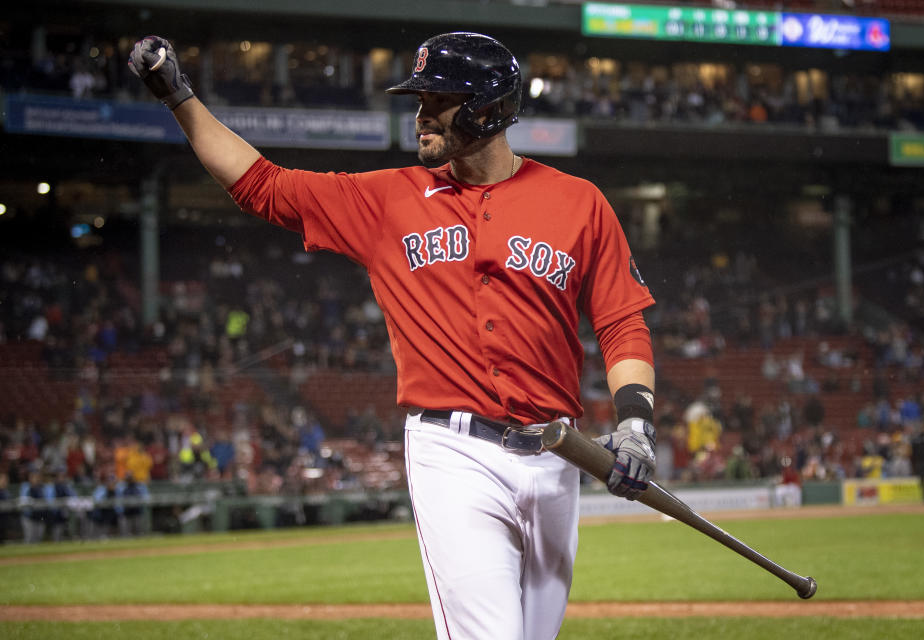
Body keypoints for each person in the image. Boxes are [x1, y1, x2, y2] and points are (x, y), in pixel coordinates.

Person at [129, 32, 658, 640]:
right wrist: (178, 96)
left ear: (487, 109)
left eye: (438, 100)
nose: (420, 114)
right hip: (454, 453)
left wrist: (634, 423)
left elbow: (621, 322)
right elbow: (262, 185)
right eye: (419, 99)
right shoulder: (387, 200)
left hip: (558, 457)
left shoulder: (579, 203)